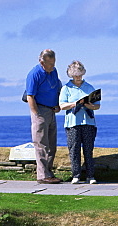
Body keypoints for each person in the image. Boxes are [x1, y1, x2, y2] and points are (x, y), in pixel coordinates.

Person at [58, 61, 100, 184]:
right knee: (74, 149)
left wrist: (88, 105)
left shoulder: (90, 87)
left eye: (80, 75)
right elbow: (62, 106)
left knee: (88, 149)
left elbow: (97, 106)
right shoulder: (66, 88)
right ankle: (76, 175)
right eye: (75, 75)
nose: (78, 78)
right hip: (72, 123)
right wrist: (74, 104)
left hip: (88, 122)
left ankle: (90, 176)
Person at [24, 49, 62, 184]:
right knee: (41, 144)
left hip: (51, 110)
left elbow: (57, 87)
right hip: (39, 110)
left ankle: (49, 172)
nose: (52, 66)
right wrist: (36, 114)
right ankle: (42, 175)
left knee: (52, 144)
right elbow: (30, 96)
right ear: (42, 61)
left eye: (53, 63)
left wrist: (58, 104)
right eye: (49, 64)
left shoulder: (54, 71)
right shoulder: (34, 74)